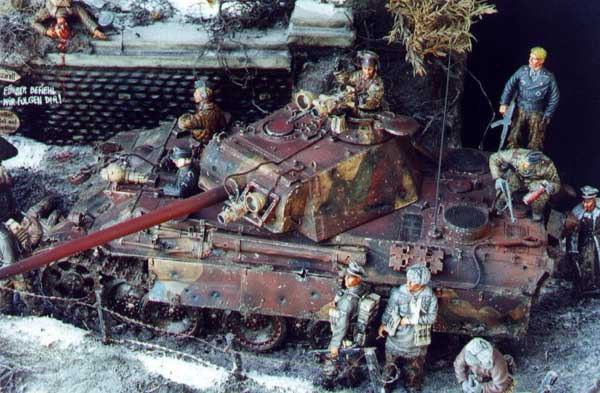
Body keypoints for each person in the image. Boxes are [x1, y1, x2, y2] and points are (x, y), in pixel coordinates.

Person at [378, 264, 438, 393]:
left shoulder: (430, 297)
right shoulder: (398, 293)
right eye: (408, 280)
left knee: (414, 369)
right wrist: (383, 324)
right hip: (396, 338)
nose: (409, 284)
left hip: (416, 341)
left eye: (414, 282)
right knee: (389, 366)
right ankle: (387, 384)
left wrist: (412, 320)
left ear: (421, 284)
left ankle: (412, 385)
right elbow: (389, 310)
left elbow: (432, 318)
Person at [321, 262, 378, 389]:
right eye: (347, 276)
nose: (346, 279)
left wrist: (335, 345)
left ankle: (327, 383)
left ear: (358, 279)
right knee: (354, 358)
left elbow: (341, 326)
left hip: (346, 334)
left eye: (350, 277)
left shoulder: (347, 302)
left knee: (331, 358)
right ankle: (354, 380)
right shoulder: (364, 288)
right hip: (358, 333)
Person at [499, 46, 559, 151]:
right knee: (514, 132)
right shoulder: (522, 71)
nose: (530, 60)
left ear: (541, 61)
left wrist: (548, 114)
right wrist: (504, 103)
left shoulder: (548, 77)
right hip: (520, 107)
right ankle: (511, 153)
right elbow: (509, 85)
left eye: (534, 58)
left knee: (537, 135)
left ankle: (534, 157)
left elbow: (554, 97)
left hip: (536, 110)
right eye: (530, 57)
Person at [489, 149, 560, 222]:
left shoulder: (547, 165)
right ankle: (500, 203)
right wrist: (497, 178)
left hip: (534, 182)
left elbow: (556, 183)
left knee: (543, 193)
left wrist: (552, 187)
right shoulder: (515, 154)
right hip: (517, 176)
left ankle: (536, 215)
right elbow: (494, 158)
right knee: (505, 183)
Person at [569, 185, 600, 294]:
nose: (586, 205)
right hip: (585, 242)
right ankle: (588, 287)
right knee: (588, 262)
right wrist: (573, 249)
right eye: (584, 201)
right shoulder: (577, 212)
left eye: (589, 202)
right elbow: (573, 234)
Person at [334, 50, 384, 115]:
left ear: (375, 68)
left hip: (370, 113)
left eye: (370, 69)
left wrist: (353, 100)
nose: (367, 72)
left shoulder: (377, 82)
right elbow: (346, 79)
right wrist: (339, 72)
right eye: (365, 68)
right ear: (362, 67)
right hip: (355, 108)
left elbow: (371, 102)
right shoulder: (359, 75)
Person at [177, 79, 227, 144]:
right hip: (213, 134)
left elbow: (184, 124)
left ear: (202, 96)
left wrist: (183, 118)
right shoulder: (215, 107)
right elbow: (223, 124)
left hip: (206, 139)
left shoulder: (204, 113)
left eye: (196, 93)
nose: (194, 94)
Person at [31, 0, 106, 40]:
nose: (62, 29)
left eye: (60, 32)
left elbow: (33, 21)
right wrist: (95, 30)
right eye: (65, 30)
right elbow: (86, 19)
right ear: (67, 25)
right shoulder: (73, 9)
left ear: (54, 28)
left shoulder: (49, 11)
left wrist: (45, 31)